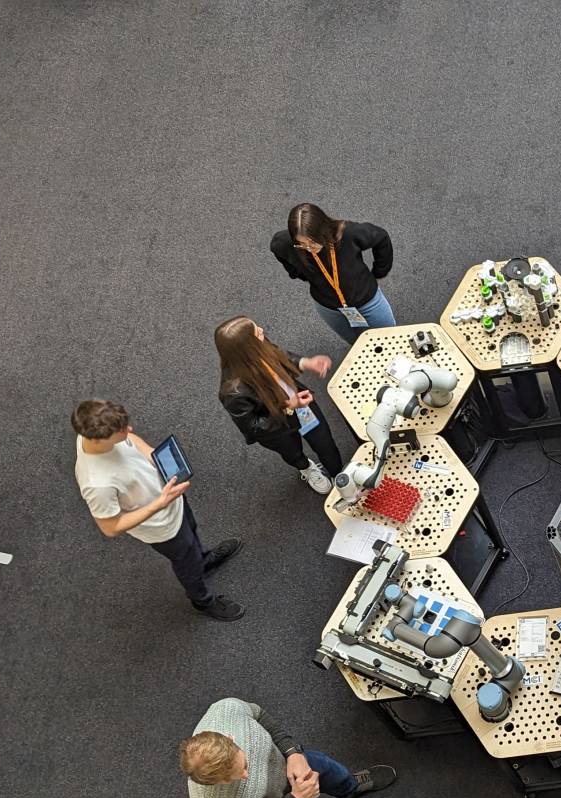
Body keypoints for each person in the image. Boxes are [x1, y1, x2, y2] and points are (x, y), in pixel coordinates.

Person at [71, 399, 244, 621]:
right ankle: (202, 600)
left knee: (192, 534)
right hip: (162, 527)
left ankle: (204, 560)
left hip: (172, 500)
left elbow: (132, 440)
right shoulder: (97, 484)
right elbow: (111, 527)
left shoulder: (90, 430)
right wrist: (160, 503)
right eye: (121, 430)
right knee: (186, 562)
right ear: (98, 440)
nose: (130, 430)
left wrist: (153, 456)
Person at [180, 696, 395, 798]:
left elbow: (260, 715)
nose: (246, 776)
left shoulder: (226, 710)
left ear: (230, 738)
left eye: (244, 765)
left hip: (290, 763)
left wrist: (293, 752)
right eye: (232, 779)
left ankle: (349, 787)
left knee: (334, 771)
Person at [214, 316, 343, 495]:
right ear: (247, 348)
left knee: (325, 443)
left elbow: (280, 356)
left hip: (301, 406)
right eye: (256, 331)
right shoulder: (232, 392)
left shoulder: (260, 345)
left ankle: (339, 476)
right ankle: (306, 468)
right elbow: (254, 428)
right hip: (277, 429)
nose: (261, 330)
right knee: (292, 453)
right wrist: (288, 407)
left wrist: (305, 362)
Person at [270, 203, 395, 345]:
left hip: (367, 301)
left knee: (390, 339)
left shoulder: (347, 233)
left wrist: (380, 270)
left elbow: (381, 237)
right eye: (303, 244)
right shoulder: (285, 243)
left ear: (323, 230)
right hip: (330, 308)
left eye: (313, 242)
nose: (310, 249)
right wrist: (297, 273)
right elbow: (277, 248)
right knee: (357, 344)